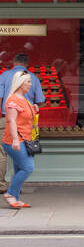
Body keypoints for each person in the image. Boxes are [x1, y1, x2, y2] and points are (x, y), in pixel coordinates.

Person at [0, 54, 45, 192]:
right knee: (22, 152)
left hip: (5, 117)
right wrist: (35, 106)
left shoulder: (4, 75)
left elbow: (0, 97)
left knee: (2, 153)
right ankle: (15, 186)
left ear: (14, 62)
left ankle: (1, 185)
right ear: (27, 63)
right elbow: (41, 100)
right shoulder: (33, 77)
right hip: (26, 121)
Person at [3, 69, 38, 208]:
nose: (30, 84)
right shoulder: (12, 100)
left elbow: (25, 118)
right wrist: (15, 140)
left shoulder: (25, 99)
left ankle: (15, 199)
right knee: (28, 168)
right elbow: (11, 121)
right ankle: (10, 194)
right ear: (20, 83)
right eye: (28, 82)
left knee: (19, 170)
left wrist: (34, 109)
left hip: (26, 139)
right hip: (15, 141)